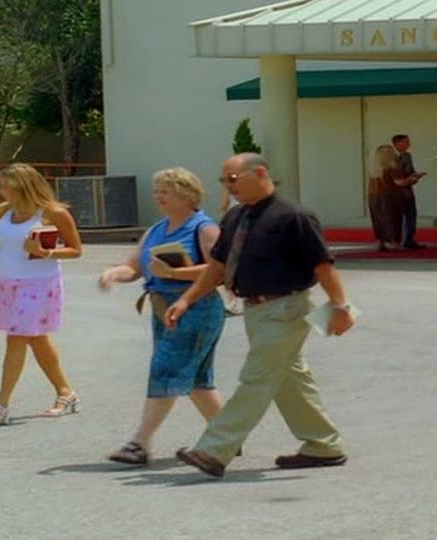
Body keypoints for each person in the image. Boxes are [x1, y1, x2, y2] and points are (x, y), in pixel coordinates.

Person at [166, 152, 356, 478]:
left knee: (256, 378)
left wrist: (341, 307)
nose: (228, 186)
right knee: (288, 380)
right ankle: (324, 445)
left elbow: (322, 265)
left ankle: (214, 449)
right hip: (254, 311)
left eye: (233, 179)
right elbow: (218, 266)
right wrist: (186, 300)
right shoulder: (235, 217)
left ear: (260, 173)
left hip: (287, 309)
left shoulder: (294, 216)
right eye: (224, 180)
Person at [98, 167, 226, 465]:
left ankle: (140, 443)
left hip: (195, 307)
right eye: (156, 191)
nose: (158, 197)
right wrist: (114, 273)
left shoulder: (204, 228)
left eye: (165, 191)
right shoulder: (156, 229)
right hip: (161, 307)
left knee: (166, 372)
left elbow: (217, 270)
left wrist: (174, 273)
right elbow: (134, 266)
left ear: (187, 194)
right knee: (196, 380)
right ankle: (227, 436)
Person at [0, 163, 83, 426]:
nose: (0, 192)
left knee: (17, 337)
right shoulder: (2, 213)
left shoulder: (53, 213)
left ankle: (1, 404)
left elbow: (76, 249)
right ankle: (66, 392)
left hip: (39, 285)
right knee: (37, 339)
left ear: (22, 187)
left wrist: (46, 252)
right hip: (8, 284)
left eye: (5, 187)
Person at [367, 145, 410, 251]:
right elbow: (399, 182)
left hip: (374, 197)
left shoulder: (373, 169)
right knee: (393, 219)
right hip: (390, 197)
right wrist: (412, 179)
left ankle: (380, 242)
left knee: (378, 220)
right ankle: (394, 243)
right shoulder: (391, 168)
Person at [392, 134, 427, 249]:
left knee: (411, 214)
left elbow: (409, 171)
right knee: (396, 216)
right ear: (397, 143)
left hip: (407, 189)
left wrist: (415, 176)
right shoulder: (391, 157)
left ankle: (409, 239)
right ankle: (395, 239)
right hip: (394, 190)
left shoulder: (407, 156)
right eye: (406, 142)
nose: (409, 144)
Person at [218, 190, 243, 316]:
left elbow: (223, 206)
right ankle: (233, 302)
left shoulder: (230, 192)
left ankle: (233, 303)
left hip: (235, 228)